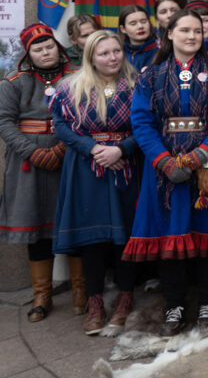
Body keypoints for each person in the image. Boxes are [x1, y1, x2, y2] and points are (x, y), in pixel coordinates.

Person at [122, 9, 208, 335]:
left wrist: (199, 156)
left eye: (198, 31)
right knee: (169, 238)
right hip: (163, 171)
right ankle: (173, 305)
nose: (192, 36)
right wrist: (165, 161)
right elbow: (142, 123)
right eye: (185, 30)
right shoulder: (150, 77)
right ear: (169, 34)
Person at [49, 30, 140, 335]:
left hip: (127, 165)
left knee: (125, 236)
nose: (112, 57)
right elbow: (60, 126)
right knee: (94, 240)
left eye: (116, 51)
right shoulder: (70, 87)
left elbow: (149, 125)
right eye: (104, 53)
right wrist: (92, 148)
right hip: (88, 168)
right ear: (90, 56)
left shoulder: (138, 84)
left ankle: (126, 297)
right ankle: (96, 302)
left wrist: (121, 149)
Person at [0, 23, 82, 323]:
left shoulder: (76, 77)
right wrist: (34, 151)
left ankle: (80, 292)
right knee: (37, 231)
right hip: (28, 164)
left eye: (49, 46)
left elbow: (85, 115)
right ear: (28, 53)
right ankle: (41, 296)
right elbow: (4, 123)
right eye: (38, 48)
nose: (45, 52)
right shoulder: (13, 82)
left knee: (74, 223)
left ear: (58, 47)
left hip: (70, 157)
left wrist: (63, 149)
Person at [118, 5, 158, 72]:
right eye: (133, 23)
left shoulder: (160, 51)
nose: (140, 26)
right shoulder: (118, 53)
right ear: (123, 29)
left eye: (143, 21)